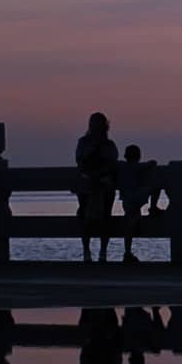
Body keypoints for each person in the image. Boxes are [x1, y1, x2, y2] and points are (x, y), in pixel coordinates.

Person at [75, 113, 120, 263]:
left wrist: (100, 174)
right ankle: (86, 251)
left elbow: (113, 163)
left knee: (105, 218)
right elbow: (79, 161)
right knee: (85, 218)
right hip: (88, 183)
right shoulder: (83, 142)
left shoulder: (109, 144)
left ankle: (102, 252)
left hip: (103, 183)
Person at [115, 144, 163, 263]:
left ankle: (127, 252)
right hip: (136, 197)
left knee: (130, 223)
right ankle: (153, 207)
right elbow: (152, 163)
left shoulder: (122, 166)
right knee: (157, 186)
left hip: (127, 200)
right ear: (138, 156)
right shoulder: (138, 166)